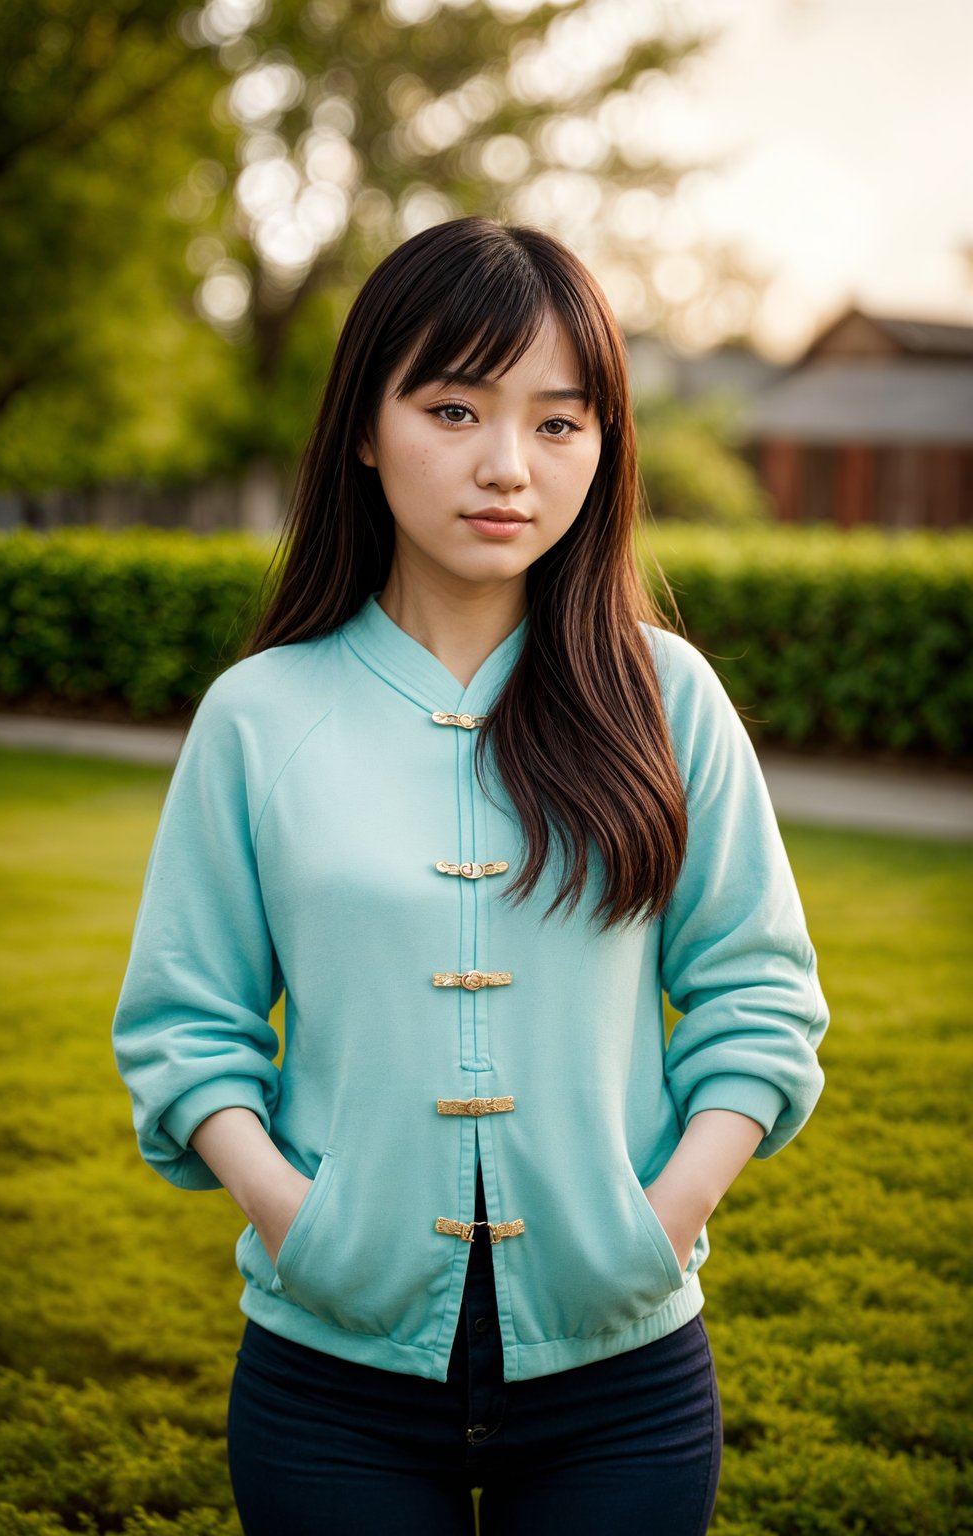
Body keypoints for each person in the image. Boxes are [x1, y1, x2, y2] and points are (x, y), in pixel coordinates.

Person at [111, 215, 830, 1536]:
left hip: (626, 1377)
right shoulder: (259, 715)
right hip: (329, 1376)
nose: (509, 466)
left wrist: (658, 1221)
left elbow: (759, 1000)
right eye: (455, 408)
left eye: (561, 423)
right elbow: (184, 1024)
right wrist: (295, 1220)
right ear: (365, 430)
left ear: (605, 447)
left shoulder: (665, 698)